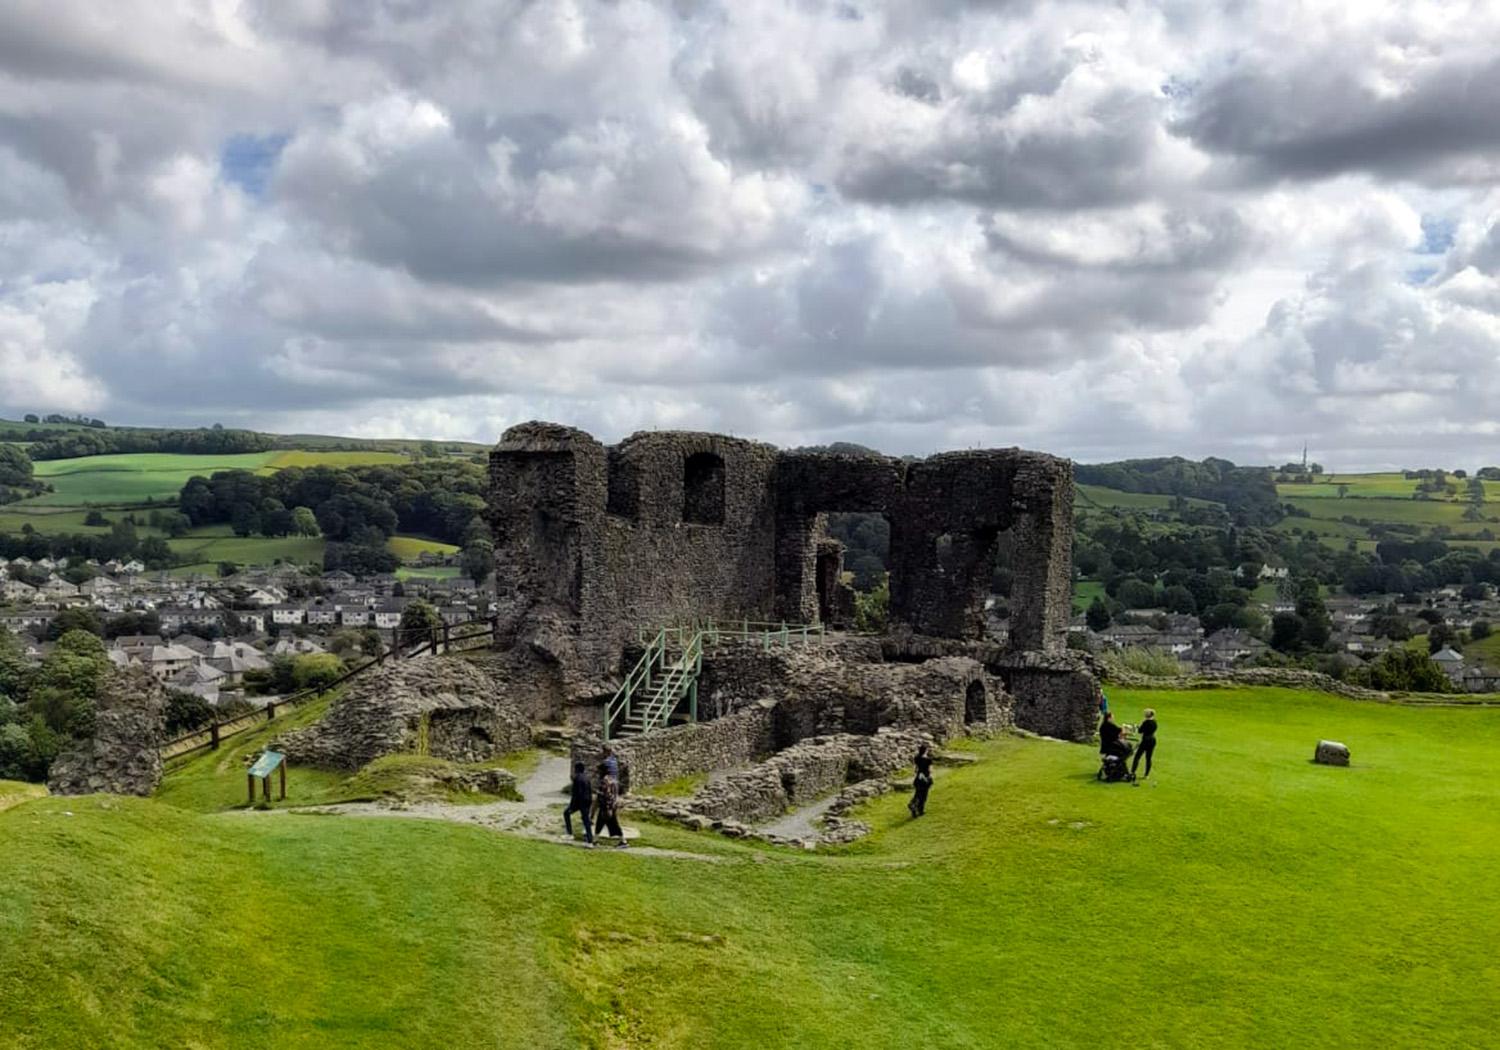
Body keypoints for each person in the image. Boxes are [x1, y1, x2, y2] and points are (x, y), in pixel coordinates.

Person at [594, 749, 627, 848]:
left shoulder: (604, 781)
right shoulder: (613, 780)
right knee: (601, 823)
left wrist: (598, 793)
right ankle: (594, 840)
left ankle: (623, 841)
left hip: (607, 806)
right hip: (612, 805)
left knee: (613, 824)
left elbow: (606, 795)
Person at [563, 761, 595, 847]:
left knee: (567, 813)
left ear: (576, 769)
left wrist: (572, 805)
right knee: (586, 819)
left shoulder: (577, 779)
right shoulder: (586, 778)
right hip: (587, 801)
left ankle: (571, 834)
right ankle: (589, 839)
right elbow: (589, 791)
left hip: (580, 802)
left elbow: (576, 794)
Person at [908, 742, 934, 818]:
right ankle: (920, 810)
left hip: (918, 779)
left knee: (918, 793)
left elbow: (915, 769)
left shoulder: (917, 758)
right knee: (923, 796)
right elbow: (930, 770)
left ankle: (913, 805)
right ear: (926, 750)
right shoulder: (928, 760)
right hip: (925, 779)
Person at [1131, 708, 1158, 781]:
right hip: (1152, 740)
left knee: (1137, 756)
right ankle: (1146, 774)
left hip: (1145, 740)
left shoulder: (1146, 722)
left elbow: (1140, 731)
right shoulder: (1154, 722)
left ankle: (1133, 771)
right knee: (1148, 758)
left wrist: (1138, 727)